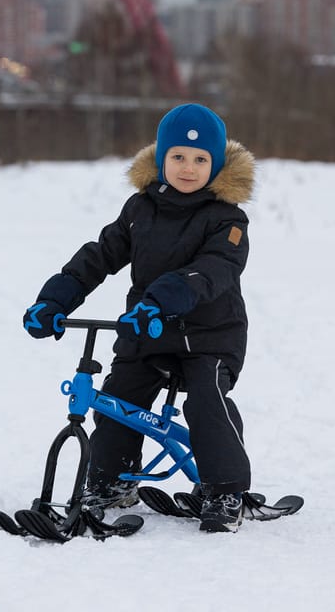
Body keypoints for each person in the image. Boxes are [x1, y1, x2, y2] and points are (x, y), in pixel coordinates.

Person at [23, 103, 255, 533]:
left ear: (216, 165)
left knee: (206, 400)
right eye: (178, 157)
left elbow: (213, 270)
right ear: (161, 158)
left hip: (208, 337)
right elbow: (98, 256)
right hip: (146, 330)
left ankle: (226, 490)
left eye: (200, 159)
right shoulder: (140, 209)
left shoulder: (228, 219)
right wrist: (55, 300)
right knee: (118, 397)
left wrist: (161, 300)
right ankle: (112, 480)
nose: (188, 168)